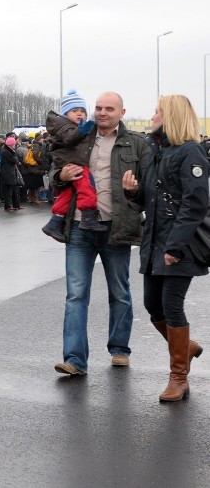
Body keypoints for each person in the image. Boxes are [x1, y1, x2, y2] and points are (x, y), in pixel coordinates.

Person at [51, 91, 150, 376]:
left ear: (122, 112)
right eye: (98, 108)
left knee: (119, 292)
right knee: (75, 295)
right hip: (80, 227)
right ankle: (74, 360)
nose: (102, 112)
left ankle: (119, 349)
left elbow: (149, 191)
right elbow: (52, 175)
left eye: (109, 108)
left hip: (115, 227)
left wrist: (136, 190)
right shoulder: (78, 137)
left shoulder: (136, 144)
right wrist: (60, 176)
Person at [122, 94, 208, 401]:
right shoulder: (155, 152)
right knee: (151, 305)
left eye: (158, 111)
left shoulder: (191, 152)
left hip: (179, 244)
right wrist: (132, 193)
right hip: (154, 241)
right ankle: (187, 347)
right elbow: (151, 199)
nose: (153, 115)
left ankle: (178, 377)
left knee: (172, 305)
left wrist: (175, 246)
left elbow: (195, 204)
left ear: (170, 115)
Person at [42, 90, 107, 242]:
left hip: (69, 162)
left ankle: (55, 222)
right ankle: (88, 216)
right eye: (74, 110)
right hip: (73, 163)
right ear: (65, 113)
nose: (80, 114)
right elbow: (71, 139)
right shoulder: (65, 126)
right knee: (87, 186)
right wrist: (82, 131)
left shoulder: (68, 126)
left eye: (83, 111)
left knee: (67, 193)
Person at [0, 137, 22, 211]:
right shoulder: (5, 152)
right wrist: (15, 157)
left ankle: (16, 205)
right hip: (7, 173)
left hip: (11, 172)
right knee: (8, 191)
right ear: (11, 145)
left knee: (14, 190)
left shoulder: (9, 151)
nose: (14, 146)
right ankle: (8, 205)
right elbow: (13, 160)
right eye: (14, 144)